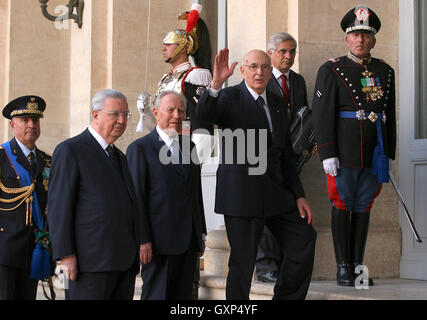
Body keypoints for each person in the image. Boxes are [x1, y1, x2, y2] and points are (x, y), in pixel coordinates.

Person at [196, 48, 317, 300]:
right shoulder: (228, 97)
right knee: (243, 263)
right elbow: (203, 117)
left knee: (303, 239)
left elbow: (284, 154)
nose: (259, 72)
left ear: (271, 71)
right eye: (253, 66)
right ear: (243, 71)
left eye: (264, 67)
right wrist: (216, 83)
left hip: (276, 192)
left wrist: (299, 195)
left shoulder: (276, 102)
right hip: (241, 195)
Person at [312, 6, 396, 287]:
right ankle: (343, 269)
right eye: (355, 35)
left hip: (374, 152)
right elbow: (321, 113)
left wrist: (390, 152)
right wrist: (327, 152)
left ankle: (358, 268)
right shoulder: (332, 69)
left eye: (366, 35)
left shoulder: (385, 70)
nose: (360, 40)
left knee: (363, 206)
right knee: (342, 203)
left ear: (373, 40)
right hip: (344, 152)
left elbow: (389, 114)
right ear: (347, 39)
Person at [47, 89, 140, 300]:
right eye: (115, 114)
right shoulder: (71, 150)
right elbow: (59, 207)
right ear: (96, 114)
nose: (121, 120)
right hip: (89, 263)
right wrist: (66, 254)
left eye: (126, 115)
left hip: (123, 262)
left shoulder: (119, 157)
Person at [127, 90, 207, 300]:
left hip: (188, 242)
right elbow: (137, 198)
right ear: (156, 112)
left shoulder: (189, 146)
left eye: (181, 111)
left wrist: (201, 233)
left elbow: (195, 194)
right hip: (157, 243)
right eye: (170, 110)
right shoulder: (140, 149)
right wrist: (142, 239)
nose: (176, 115)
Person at [254, 32, 311, 283]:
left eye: (292, 52)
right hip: (263, 157)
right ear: (271, 53)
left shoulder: (297, 81)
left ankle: (283, 262)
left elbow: (303, 115)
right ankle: (265, 265)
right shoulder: (261, 79)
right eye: (283, 52)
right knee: (264, 211)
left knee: (285, 210)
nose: (288, 56)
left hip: (291, 159)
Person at [0, 96, 53, 300]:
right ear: (13, 125)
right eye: (25, 120)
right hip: (5, 250)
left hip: (35, 249)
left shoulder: (48, 161)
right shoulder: (3, 157)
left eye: (35, 120)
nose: (32, 125)